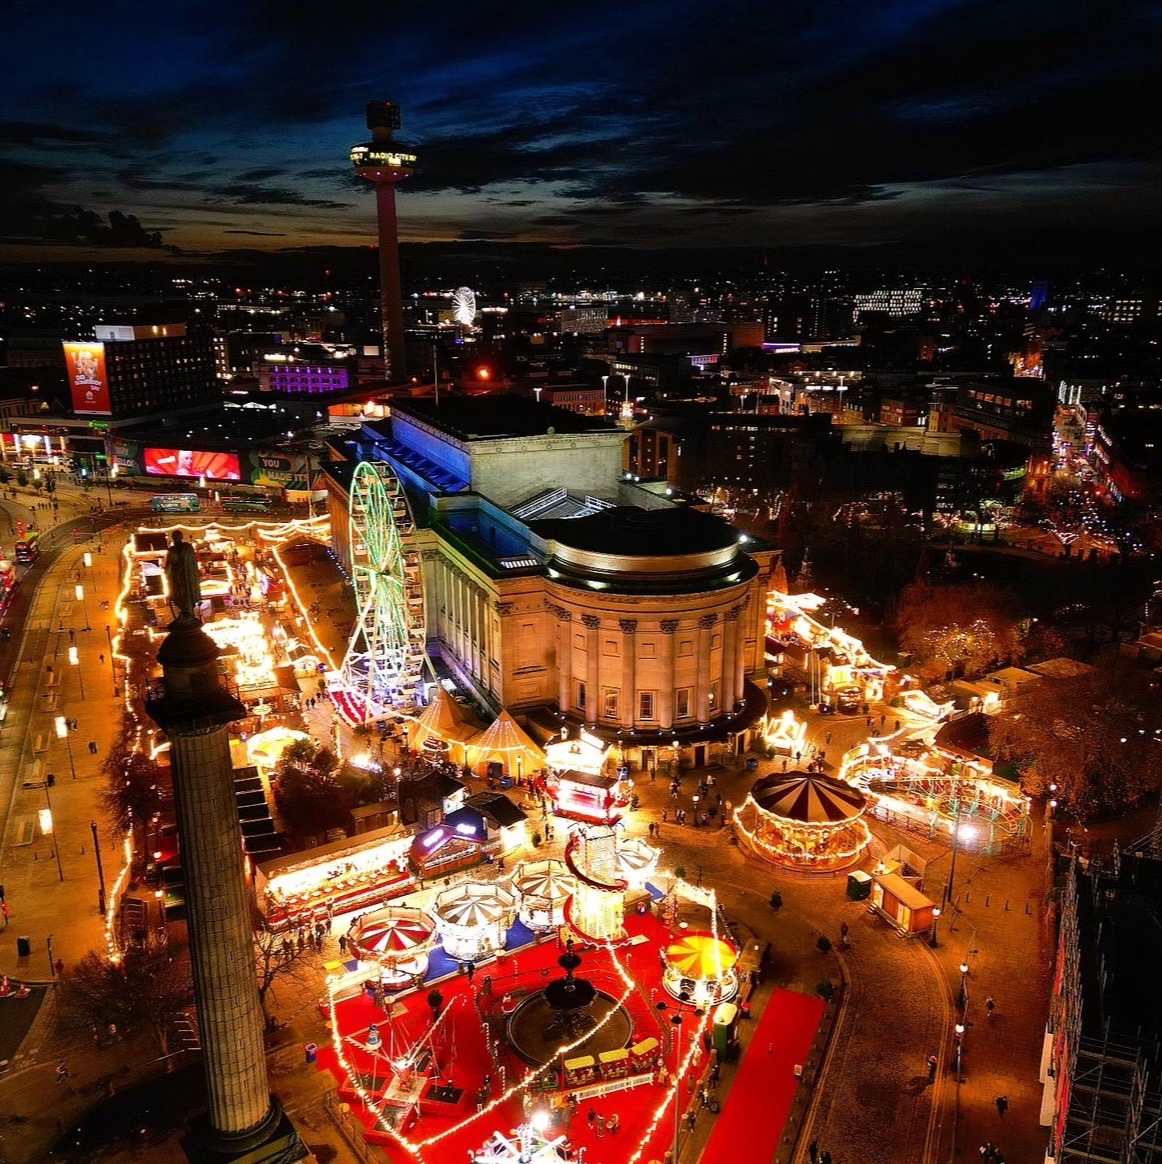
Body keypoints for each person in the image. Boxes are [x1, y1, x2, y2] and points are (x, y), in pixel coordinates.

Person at [164, 529, 202, 623]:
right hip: (189, 578)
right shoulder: (188, 548)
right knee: (188, 595)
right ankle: (189, 613)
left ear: (173, 538)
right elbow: (194, 563)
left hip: (178, 580)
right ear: (181, 537)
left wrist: (166, 576)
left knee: (181, 596)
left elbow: (168, 568)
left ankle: (186, 614)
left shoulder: (172, 551)